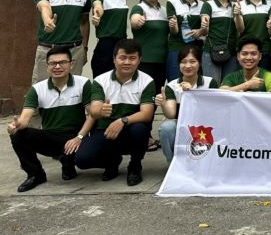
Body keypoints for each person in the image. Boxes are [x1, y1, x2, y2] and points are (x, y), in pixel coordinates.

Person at [8, 46, 94, 192]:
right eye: (53, 63)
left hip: (76, 137)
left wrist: (79, 137)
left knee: (88, 157)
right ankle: (35, 174)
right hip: (51, 138)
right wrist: (16, 125)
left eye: (62, 62)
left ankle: (68, 163)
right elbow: (25, 118)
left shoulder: (83, 83)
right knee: (18, 135)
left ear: (71, 64)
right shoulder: (37, 89)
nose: (57, 66)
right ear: (47, 66)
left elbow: (93, 114)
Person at [75, 39, 155, 186]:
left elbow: (146, 114)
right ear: (114, 59)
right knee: (82, 160)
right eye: (122, 58)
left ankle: (135, 166)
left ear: (139, 60)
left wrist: (122, 121)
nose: (127, 62)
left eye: (132, 58)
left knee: (139, 130)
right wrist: (100, 111)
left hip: (130, 129)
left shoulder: (146, 81)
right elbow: (94, 110)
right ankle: (112, 162)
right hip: (106, 131)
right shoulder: (100, 80)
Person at [32, 0, 91, 82]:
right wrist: (47, 20)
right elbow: (44, 7)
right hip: (47, 50)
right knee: (42, 90)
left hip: (75, 51)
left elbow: (84, 22)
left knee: (73, 89)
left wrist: (85, 49)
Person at [156, 45, 218, 164]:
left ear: (200, 63)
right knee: (166, 127)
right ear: (179, 64)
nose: (188, 66)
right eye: (183, 62)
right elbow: (171, 114)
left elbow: (212, 111)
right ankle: (172, 164)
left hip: (204, 126)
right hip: (182, 125)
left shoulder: (210, 82)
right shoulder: (172, 85)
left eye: (192, 61)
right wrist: (163, 104)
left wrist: (192, 93)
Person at [129, 0, 169, 101]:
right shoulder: (139, 8)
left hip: (162, 62)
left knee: (155, 98)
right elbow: (134, 20)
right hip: (145, 62)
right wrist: (137, 20)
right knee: (142, 98)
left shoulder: (164, 10)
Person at [199, 0, 240, 83]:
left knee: (229, 85)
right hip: (210, 52)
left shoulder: (235, 5)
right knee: (213, 85)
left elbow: (240, 29)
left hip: (230, 52)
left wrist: (237, 15)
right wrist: (204, 26)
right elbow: (205, 29)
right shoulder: (208, 4)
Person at [89, 0, 127, 78]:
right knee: (103, 80)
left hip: (121, 45)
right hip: (106, 46)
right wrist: (97, 14)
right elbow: (97, 6)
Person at [164, 0, 203, 82]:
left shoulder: (203, 5)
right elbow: (174, 32)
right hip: (177, 49)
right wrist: (173, 26)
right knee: (175, 82)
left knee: (195, 83)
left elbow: (205, 30)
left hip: (195, 50)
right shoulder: (172, 2)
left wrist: (200, 31)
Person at [234, 0, 271, 67]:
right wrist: (237, 15)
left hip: (264, 50)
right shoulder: (239, 5)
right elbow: (240, 29)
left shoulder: (270, 4)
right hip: (246, 51)